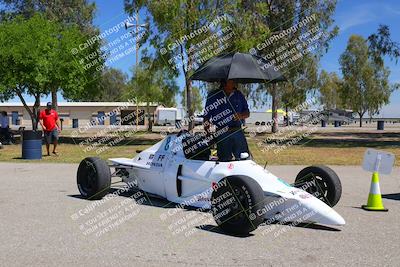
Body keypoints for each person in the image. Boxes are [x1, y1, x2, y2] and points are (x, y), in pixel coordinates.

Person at [203, 79, 250, 161]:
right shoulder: (213, 96)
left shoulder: (239, 95)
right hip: (222, 133)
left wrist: (241, 115)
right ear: (224, 82)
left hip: (237, 131)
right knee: (224, 161)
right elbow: (206, 117)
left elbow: (247, 113)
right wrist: (207, 133)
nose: (234, 82)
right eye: (231, 80)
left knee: (244, 158)